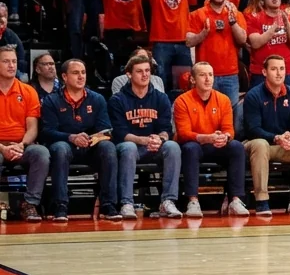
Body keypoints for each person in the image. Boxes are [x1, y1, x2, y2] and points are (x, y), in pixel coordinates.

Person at [41, 59, 118, 222]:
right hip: (64, 146)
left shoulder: (97, 99)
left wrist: (91, 139)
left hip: (90, 147)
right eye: (75, 73)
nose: (81, 76)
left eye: (83, 72)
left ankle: (108, 204)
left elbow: (106, 131)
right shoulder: (51, 101)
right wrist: (71, 138)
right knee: (60, 148)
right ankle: (60, 205)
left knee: (108, 147)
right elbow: (47, 132)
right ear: (64, 77)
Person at [242, 54, 290, 216]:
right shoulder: (253, 96)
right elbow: (253, 129)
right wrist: (276, 138)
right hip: (258, 145)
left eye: (282, 69)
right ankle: (261, 201)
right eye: (274, 69)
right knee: (260, 144)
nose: (278, 73)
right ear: (264, 72)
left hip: (284, 145)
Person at [109, 54, 181, 219]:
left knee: (172, 146)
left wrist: (160, 139)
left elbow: (166, 128)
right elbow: (120, 133)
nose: (145, 75)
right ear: (128, 74)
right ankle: (126, 203)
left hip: (153, 146)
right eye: (140, 71)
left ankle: (168, 201)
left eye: (148, 70)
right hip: (130, 146)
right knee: (128, 147)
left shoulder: (161, 98)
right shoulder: (118, 100)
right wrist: (143, 140)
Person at [175, 62, 249, 217]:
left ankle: (235, 200)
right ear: (193, 79)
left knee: (236, 147)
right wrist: (206, 137)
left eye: (210, 75)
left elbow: (229, 129)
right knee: (190, 148)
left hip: (216, 144)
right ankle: (193, 201)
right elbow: (183, 133)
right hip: (195, 145)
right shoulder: (182, 101)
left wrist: (225, 137)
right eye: (203, 75)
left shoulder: (223, 100)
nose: (208, 79)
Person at [185, 0, 248, 131]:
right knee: (206, 112)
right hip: (205, 74)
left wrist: (232, 22)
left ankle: (229, 142)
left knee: (230, 113)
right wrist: (203, 34)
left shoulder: (235, 13)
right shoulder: (198, 14)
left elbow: (242, 40)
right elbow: (189, 41)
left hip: (230, 73)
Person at [0, 44, 45, 222]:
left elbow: (32, 127)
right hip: (0, 145)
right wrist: (3, 148)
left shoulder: (28, 91)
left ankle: (29, 204)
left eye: (14, 61)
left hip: (21, 143)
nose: (11, 65)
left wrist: (21, 144)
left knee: (41, 153)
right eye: (5, 61)